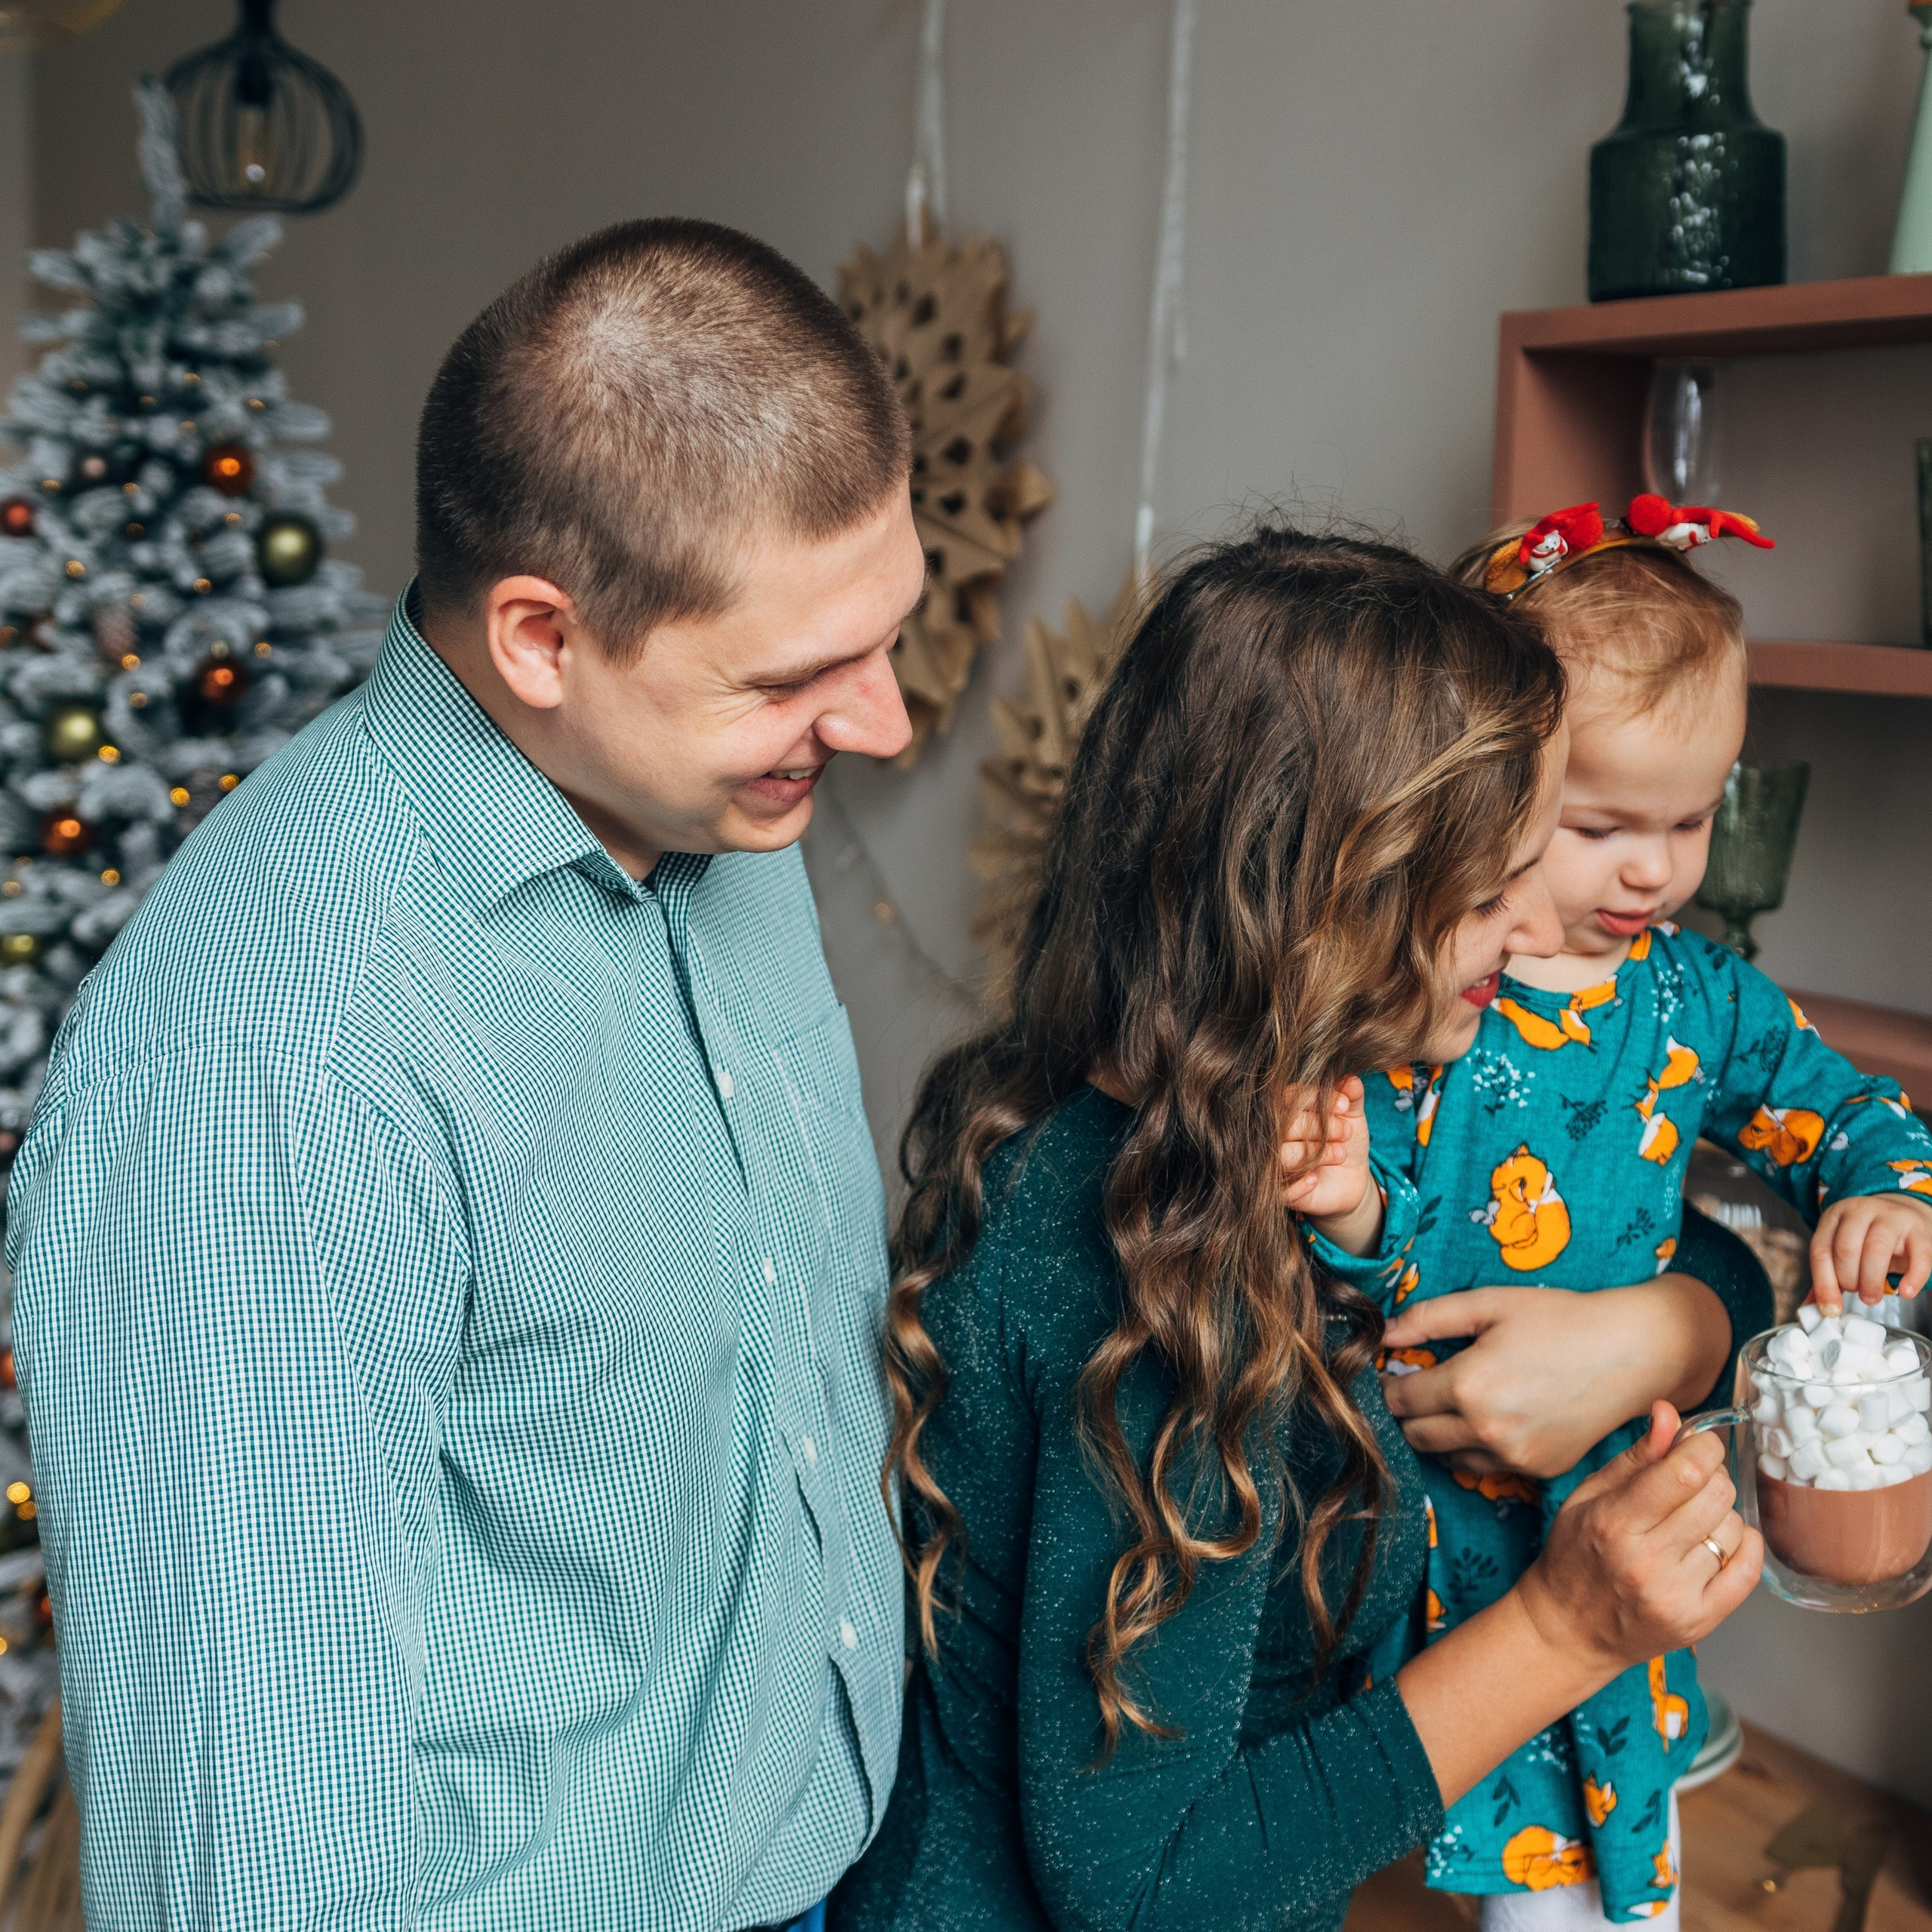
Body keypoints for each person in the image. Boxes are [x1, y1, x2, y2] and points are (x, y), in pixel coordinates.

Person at [8, 219, 927, 1930]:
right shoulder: (272, 1057)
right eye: (798, 675)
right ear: (538, 639)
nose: (881, 723)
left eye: (885, 635)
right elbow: (252, 1835)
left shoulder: (723, 817)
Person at [830, 526, 1767, 1932]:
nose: (1535, 934)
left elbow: (1654, 1251)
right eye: (1491, 888)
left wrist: (1676, 1321)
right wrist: (1567, 1629)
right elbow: (1144, 1892)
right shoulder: (1149, 1281)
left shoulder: (1215, 1135)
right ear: (1338, 894)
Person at [1324, 496, 1932, 1932]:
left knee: (1607, 1868)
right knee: (1399, 1818)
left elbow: (1848, 1109)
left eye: (1694, 815)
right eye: (1600, 825)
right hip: (1421, 1532)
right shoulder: (1431, 997)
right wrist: (1349, 1204)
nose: (1657, 870)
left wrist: (1883, 1192)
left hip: (1615, 1505)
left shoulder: (1693, 995)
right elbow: (1357, 1253)